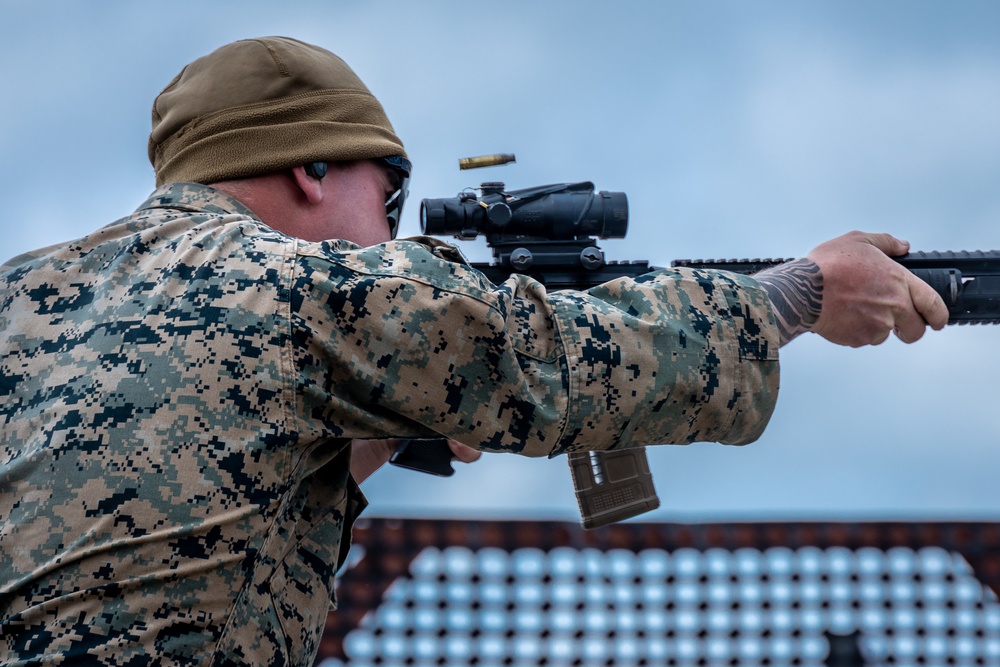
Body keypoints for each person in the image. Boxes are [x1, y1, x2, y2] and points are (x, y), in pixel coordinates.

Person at [0, 36, 947, 666]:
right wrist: (805, 293)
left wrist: (354, 447)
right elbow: (569, 360)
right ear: (310, 164)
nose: (388, 231)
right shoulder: (300, 283)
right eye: (391, 197)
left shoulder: (24, 295)